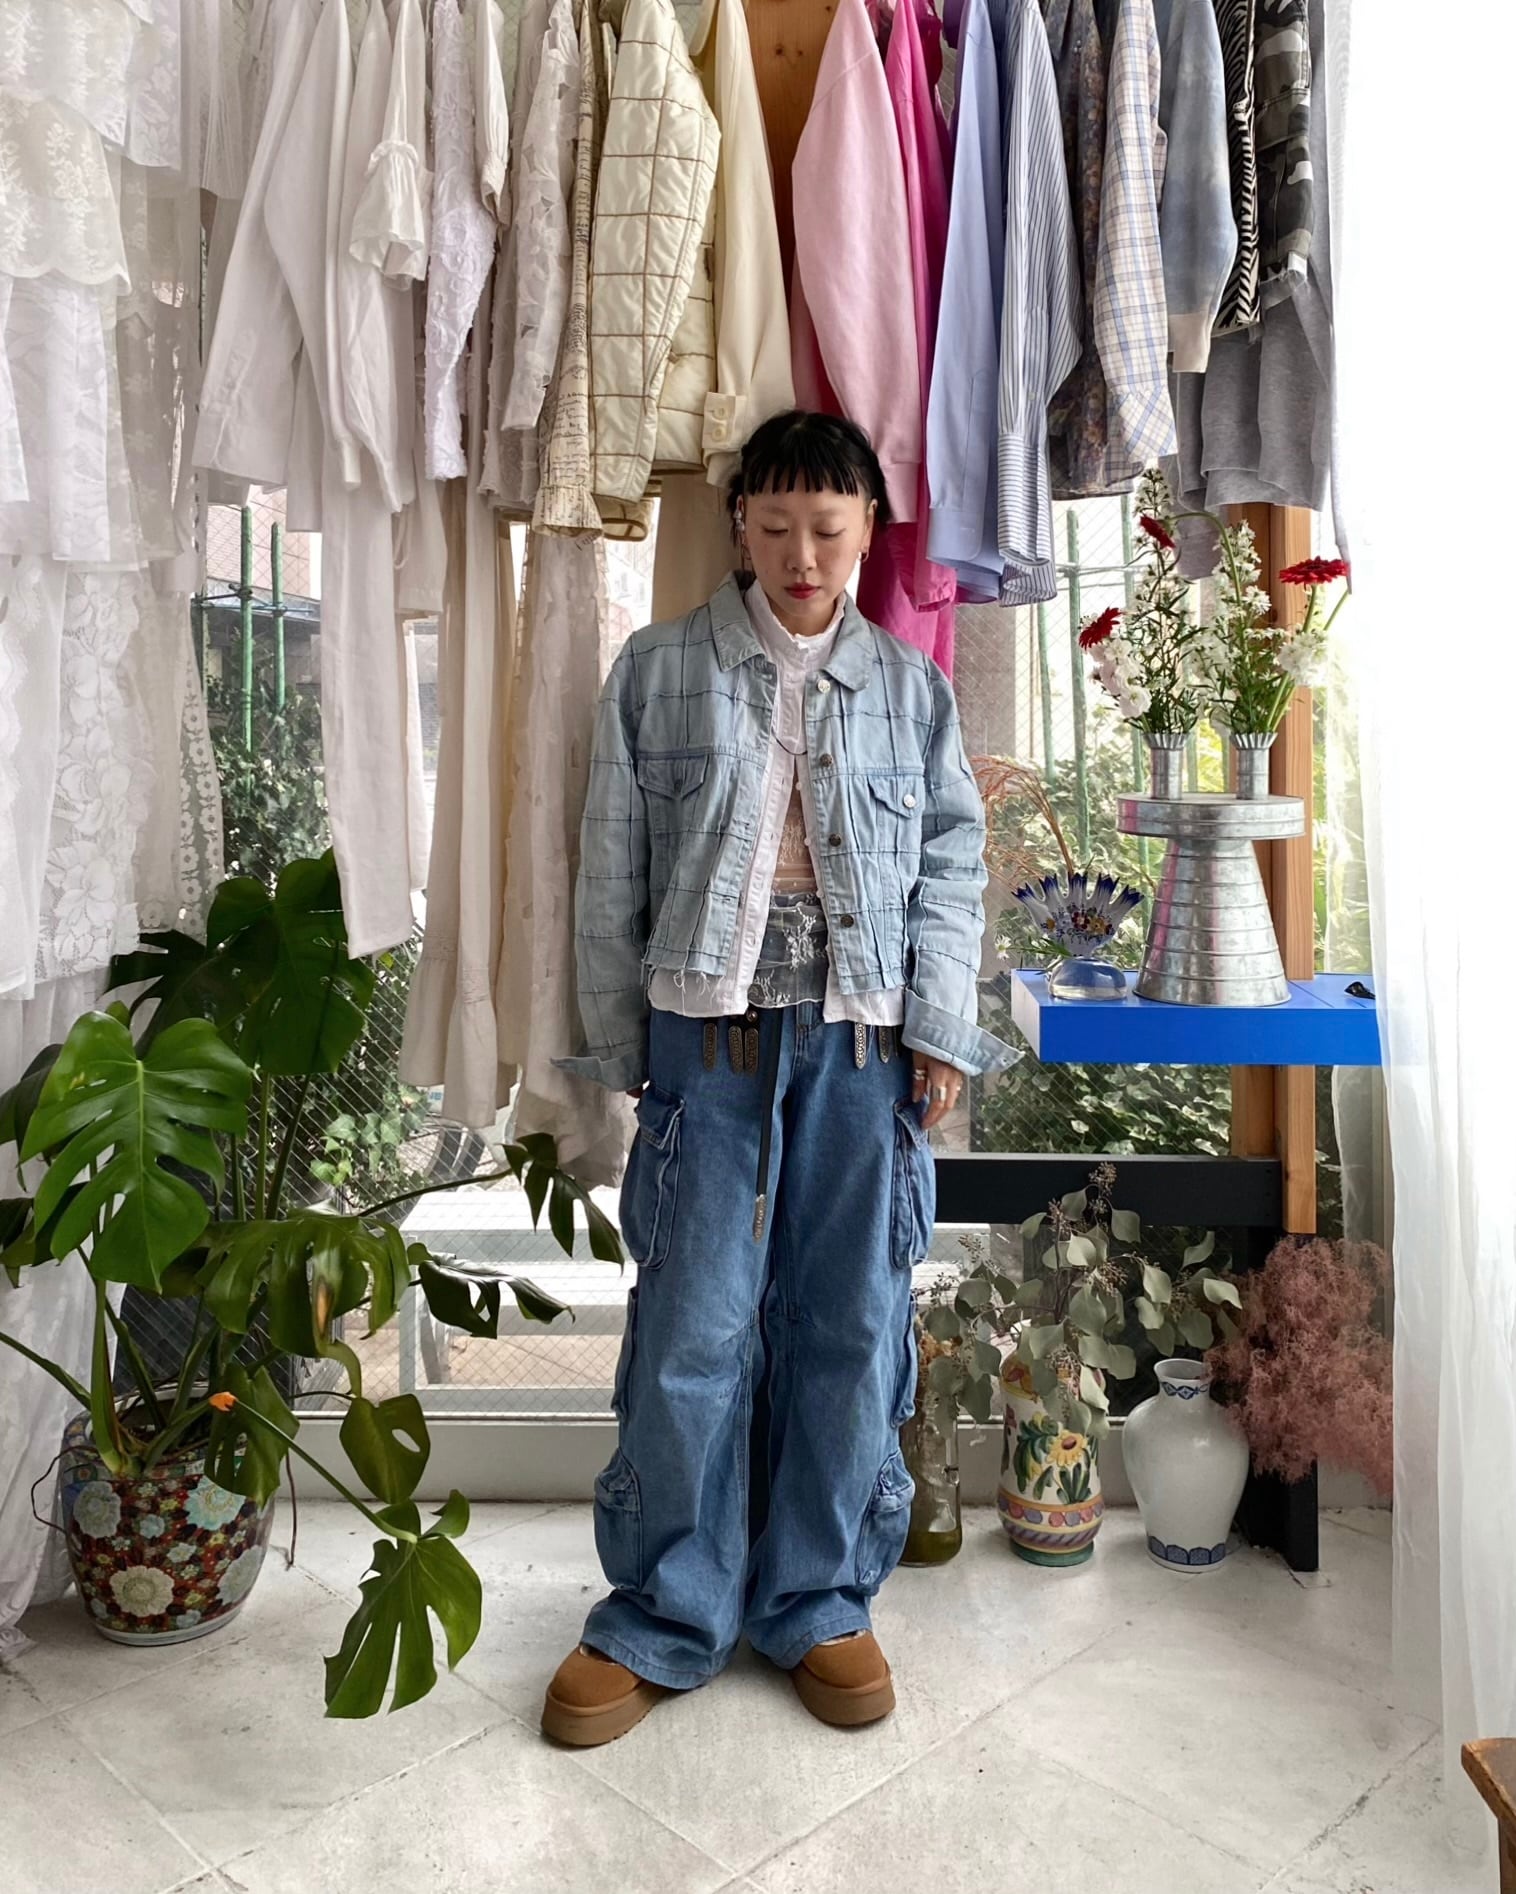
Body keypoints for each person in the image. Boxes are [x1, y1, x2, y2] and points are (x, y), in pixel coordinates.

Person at [542, 410, 1014, 1747]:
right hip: (711, 1042)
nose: (803, 554)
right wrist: (624, 1052)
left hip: (864, 1048)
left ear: (866, 534)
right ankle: (664, 1610)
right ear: (740, 526)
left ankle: (818, 1598)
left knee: (851, 1323)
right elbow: (610, 869)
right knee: (693, 1329)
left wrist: (939, 1029)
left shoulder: (912, 690)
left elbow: (953, 870)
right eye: (778, 525)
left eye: (829, 528)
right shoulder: (659, 671)